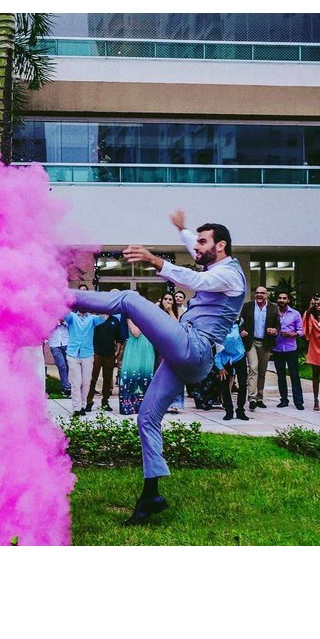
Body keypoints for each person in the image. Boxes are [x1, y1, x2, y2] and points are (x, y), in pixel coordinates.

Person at [72, 209, 246, 525]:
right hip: (188, 358)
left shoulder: (230, 274)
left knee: (127, 300)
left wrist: (155, 260)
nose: (196, 248)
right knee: (147, 417)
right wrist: (183, 230)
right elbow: (196, 245)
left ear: (220, 246)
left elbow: (195, 279)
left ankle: (60, 298)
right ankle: (151, 495)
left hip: (194, 347)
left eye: (203, 243)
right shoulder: (216, 259)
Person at [240, 286, 279, 411]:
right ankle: (251, 398)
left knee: (262, 371)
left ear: (267, 295)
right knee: (253, 367)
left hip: (265, 342)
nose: (259, 295)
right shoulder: (248, 306)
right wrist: (242, 331)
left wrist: (275, 330)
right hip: (251, 341)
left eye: (262, 293)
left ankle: (259, 397)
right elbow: (240, 322)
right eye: (257, 293)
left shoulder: (273, 308)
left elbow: (277, 325)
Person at [63, 308, 105, 416]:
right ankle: (76, 408)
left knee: (86, 382)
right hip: (73, 353)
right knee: (75, 382)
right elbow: (64, 313)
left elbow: (103, 317)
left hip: (87, 353)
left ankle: (82, 405)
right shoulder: (72, 316)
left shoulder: (92, 318)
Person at [85, 312, 126, 413]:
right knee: (92, 378)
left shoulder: (114, 320)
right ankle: (88, 401)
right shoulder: (95, 319)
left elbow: (119, 338)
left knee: (107, 379)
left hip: (110, 354)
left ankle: (105, 402)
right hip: (96, 354)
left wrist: (117, 350)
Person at [272, 291, 305, 410]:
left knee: (294, 375)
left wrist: (292, 334)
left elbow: (301, 330)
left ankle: (298, 401)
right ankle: (283, 399)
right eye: (280, 298)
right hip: (277, 348)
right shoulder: (273, 313)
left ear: (288, 300)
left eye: (284, 298)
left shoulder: (295, 314)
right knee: (281, 376)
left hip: (291, 348)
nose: (282, 300)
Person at [118, 319, 155, 416]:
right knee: (132, 373)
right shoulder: (131, 317)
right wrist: (145, 322)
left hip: (147, 346)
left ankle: (144, 406)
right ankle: (129, 405)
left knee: (146, 374)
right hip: (134, 347)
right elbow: (135, 333)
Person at [215, 320, 248, 421]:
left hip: (239, 356)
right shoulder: (218, 330)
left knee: (243, 383)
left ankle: (240, 409)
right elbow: (217, 351)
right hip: (225, 358)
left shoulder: (237, 326)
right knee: (224, 384)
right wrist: (220, 367)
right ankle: (228, 410)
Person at [46, 320, 71, 398]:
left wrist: (64, 322)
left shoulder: (67, 316)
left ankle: (72, 385)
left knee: (69, 365)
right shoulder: (49, 318)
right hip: (54, 344)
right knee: (61, 366)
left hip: (67, 342)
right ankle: (66, 387)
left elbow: (72, 327)